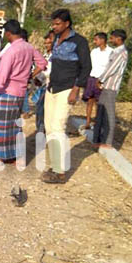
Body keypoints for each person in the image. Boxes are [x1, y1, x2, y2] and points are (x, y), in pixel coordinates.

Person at [0, 20, 46, 165]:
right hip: (20, 93)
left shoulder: (11, 51)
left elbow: (1, 78)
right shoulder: (29, 47)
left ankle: (0, 156)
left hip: (7, 92)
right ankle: (12, 154)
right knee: (14, 125)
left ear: (9, 33)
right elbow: (42, 63)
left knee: (1, 126)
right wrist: (30, 75)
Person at [42, 9, 92, 184]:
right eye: (53, 23)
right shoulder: (56, 39)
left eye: (57, 24)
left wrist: (76, 88)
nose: (54, 27)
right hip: (52, 88)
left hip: (67, 89)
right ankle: (55, 165)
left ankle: (60, 172)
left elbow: (86, 67)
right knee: (49, 128)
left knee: (58, 127)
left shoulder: (79, 42)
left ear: (67, 24)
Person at [93, 29, 129, 149]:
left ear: (119, 39)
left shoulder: (121, 53)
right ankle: (98, 139)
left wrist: (100, 79)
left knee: (109, 114)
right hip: (106, 86)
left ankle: (107, 141)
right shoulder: (116, 51)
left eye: (113, 38)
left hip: (111, 87)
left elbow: (111, 69)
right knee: (100, 113)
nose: (111, 40)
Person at [82, 32, 113, 130]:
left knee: (100, 102)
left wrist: (103, 80)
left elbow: (111, 67)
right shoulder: (94, 52)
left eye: (96, 40)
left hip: (103, 79)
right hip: (92, 77)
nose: (95, 42)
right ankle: (88, 121)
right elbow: (89, 64)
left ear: (102, 40)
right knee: (90, 100)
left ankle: (98, 122)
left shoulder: (111, 52)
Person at [33, 31, 54, 134]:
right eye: (45, 43)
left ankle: (42, 132)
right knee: (39, 109)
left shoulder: (54, 56)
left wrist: (38, 76)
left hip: (49, 86)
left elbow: (49, 71)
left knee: (44, 111)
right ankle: (40, 130)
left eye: (49, 43)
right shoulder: (46, 55)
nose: (47, 45)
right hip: (41, 85)